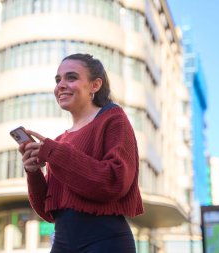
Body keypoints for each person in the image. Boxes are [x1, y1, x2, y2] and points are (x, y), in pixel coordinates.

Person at [19, 53, 144, 253]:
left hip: (105, 242)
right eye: (58, 80)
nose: (61, 85)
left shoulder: (113, 118)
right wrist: (33, 172)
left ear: (95, 85)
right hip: (61, 244)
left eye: (71, 77)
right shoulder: (60, 141)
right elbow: (48, 211)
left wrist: (53, 152)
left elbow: (114, 182)